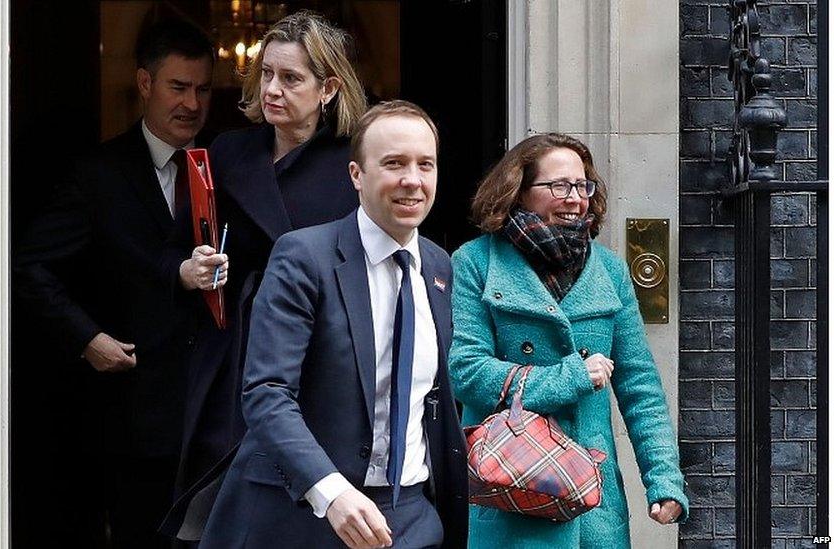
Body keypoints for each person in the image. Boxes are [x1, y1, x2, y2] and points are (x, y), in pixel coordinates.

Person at [198, 100, 468, 549]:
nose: (412, 181)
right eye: (394, 164)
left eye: (426, 165)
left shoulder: (439, 267)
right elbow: (266, 393)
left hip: (411, 520)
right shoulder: (303, 258)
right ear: (356, 176)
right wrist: (333, 491)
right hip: (303, 517)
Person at [13, 17, 225, 548]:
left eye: (202, 89)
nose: (192, 104)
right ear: (146, 84)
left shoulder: (226, 166)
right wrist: (86, 339)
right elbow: (30, 267)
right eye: (178, 87)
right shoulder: (98, 175)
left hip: (217, 416)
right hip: (135, 419)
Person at [161, 10, 369, 543]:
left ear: (328, 88)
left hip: (320, 354)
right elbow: (178, 249)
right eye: (267, 74)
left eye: (291, 78)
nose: (273, 89)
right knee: (216, 502)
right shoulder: (228, 152)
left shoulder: (354, 165)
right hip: (231, 349)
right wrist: (191, 272)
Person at [447, 133, 689, 548]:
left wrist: (664, 479)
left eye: (582, 186)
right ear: (519, 192)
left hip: (592, 501)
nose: (575, 198)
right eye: (560, 185)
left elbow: (640, 388)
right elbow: (466, 372)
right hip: (512, 491)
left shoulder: (610, 271)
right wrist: (569, 377)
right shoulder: (475, 262)